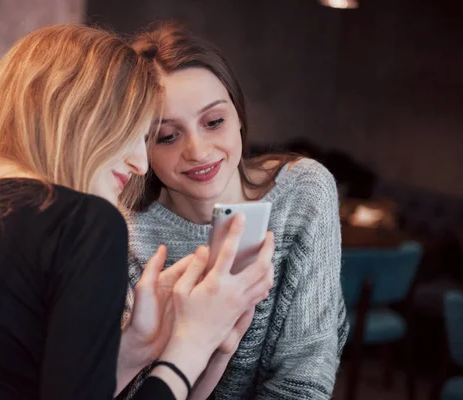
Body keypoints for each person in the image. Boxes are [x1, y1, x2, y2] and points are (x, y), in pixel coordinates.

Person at [0, 25, 274, 400]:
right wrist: (192, 343)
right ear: (82, 117)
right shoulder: (82, 223)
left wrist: (132, 348)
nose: (140, 164)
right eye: (141, 131)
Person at [120, 22, 349, 399]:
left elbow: (303, 378)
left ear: (239, 117)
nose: (197, 150)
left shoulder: (304, 193)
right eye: (167, 136)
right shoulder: (124, 228)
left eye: (214, 122)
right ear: (141, 146)